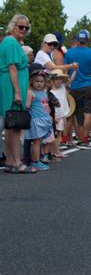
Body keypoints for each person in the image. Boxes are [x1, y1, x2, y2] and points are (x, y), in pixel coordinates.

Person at [0, 14, 34, 173]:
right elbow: (12, 67)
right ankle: (17, 162)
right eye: (21, 26)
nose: (24, 30)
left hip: (9, 85)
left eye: (26, 28)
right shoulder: (12, 42)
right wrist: (18, 92)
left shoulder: (9, 41)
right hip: (12, 87)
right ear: (13, 26)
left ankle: (10, 161)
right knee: (15, 126)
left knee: (11, 124)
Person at [24, 70, 54, 171]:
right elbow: (27, 106)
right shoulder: (30, 92)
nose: (39, 83)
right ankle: (35, 162)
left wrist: (49, 115)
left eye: (41, 81)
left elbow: (46, 105)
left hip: (44, 119)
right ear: (32, 81)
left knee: (40, 141)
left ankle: (37, 160)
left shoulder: (43, 93)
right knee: (36, 142)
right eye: (37, 81)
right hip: (36, 120)